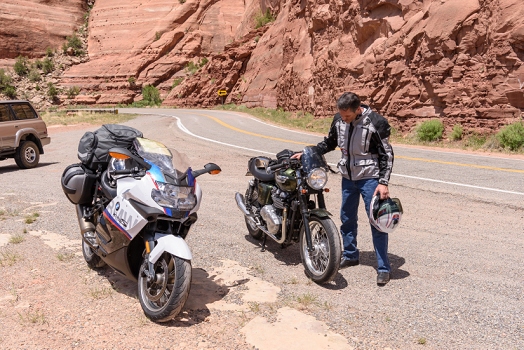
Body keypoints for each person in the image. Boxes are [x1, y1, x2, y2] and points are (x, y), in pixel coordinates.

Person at [292, 92, 394, 285]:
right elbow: (330, 142)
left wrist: (383, 182)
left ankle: (383, 268)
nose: (344, 119)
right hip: (348, 178)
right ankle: (351, 254)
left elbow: (386, 155)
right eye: (342, 115)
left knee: (376, 222)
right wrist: (307, 152)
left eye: (348, 116)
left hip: (370, 178)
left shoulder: (376, 123)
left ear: (358, 109)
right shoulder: (339, 120)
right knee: (347, 218)